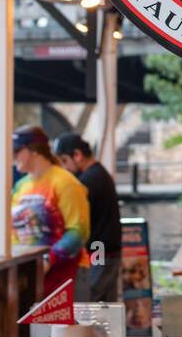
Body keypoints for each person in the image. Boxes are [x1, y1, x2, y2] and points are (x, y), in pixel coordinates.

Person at [10, 124, 90, 294]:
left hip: (65, 274)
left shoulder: (66, 183)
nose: (13, 156)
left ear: (34, 150)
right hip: (30, 274)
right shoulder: (21, 186)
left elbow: (78, 231)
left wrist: (48, 260)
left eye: (16, 151)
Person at [54, 133, 122, 301]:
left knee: (90, 300)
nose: (65, 168)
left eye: (64, 161)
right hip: (108, 250)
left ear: (77, 155)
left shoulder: (89, 180)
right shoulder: (99, 174)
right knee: (106, 307)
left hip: (99, 251)